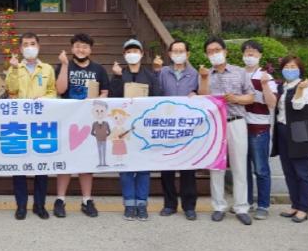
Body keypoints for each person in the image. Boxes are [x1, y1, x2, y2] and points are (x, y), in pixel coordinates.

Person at [198, 37, 255, 226]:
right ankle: (218, 206)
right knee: (216, 166)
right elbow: (202, 98)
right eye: (210, 51)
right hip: (215, 125)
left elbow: (251, 97)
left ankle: (241, 207)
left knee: (239, 166)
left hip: (236, 121)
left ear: (225, 51)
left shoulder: (240, 72)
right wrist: (204, 78)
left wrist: (236, 99)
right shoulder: (205, 74)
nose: (214, 54)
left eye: (217, 50)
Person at [53, 33, 109, 219]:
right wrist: (64, 65)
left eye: (85, 46)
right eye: (77, 46)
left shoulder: (98, 69)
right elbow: (60, 90)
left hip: (89, 121)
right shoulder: (64, 65)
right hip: (68, 121)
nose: (81, 50)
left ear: (90, 49)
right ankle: (60, 199)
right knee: (66, 160)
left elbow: (105, 92)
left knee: (86, 161)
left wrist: (95, 101)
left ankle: (87, 200)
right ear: (72, 48)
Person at [5, 32, 56, 220]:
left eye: (32, 43)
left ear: (38, 46)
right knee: (19, 165)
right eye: (25, 44)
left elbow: (53, 91)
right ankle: (21, 205)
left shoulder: (47, 68)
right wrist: (13, 69)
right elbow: (10, 89)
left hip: (41, 122)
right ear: (20, 49)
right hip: (19, 123)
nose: (29, 47)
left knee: (41, 165)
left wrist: (44, 98)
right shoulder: (15, 67)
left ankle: (39, 205)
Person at [109, 39, 160, 221]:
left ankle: (142, 204)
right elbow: (112, 99)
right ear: (124, 55)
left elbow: (157, 99)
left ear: (141, 54)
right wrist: (116, 77)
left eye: (135, 51)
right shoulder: (119, 74)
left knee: (144, 168)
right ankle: (129, 204)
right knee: (126, 168)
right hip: (124, 130)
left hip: (144, 128)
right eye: (129, 51)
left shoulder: (150, 76)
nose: (132, 54)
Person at [153, 39, 199, 221]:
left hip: (187, 127)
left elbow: (201, 94)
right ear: (169, 54)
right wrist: (156, 71)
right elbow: (156, 93)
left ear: (188, 54)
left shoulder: (195, 74)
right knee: (167, 167)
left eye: (182, 51)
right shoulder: (163, 72)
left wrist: (196, 94)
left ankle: (189, 206)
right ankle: (169, 204)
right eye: (175, 51)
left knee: (188, 168)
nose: (178, 54)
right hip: (167, 125)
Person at [272, 56, 308, 223]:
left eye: (293, 67)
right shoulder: (281, 87)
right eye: (287, 66)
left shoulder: (306, 87)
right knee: (288, 170)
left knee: (302, 171)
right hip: (282, 130)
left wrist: (300, 89)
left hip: (299, 130)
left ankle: (304, 208)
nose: (290, 70)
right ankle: (295, 204)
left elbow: (298, 105)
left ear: (300, 69)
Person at [241, 40, 277, 220]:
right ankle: (246, 202)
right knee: (243, 169)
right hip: (240, 127)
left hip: (259, 129)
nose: (250, 55)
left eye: (254, 52)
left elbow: (272, 103)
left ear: (260, 55)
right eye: (247, 52)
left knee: (261, 169)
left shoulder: (265, 77)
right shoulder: (238, 75)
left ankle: (263, 205)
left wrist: (263, 86)